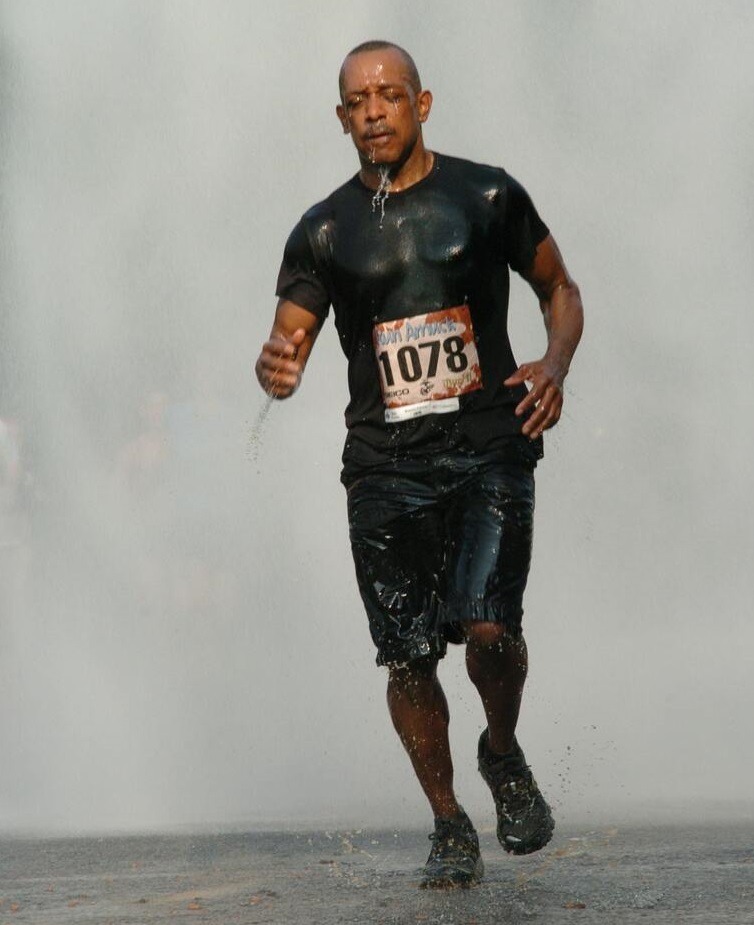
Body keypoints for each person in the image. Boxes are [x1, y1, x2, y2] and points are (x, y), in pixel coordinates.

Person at [255, 40, 583, 889]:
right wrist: (277, 364)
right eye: (358, 101)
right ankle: (448, 820)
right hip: (383, 467)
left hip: (489, 449)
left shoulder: (486, 195)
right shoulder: (324, 230)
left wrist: (554, 364)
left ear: (421, 104)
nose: (374, 111)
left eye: (390, 95)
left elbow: (560, 288)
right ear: (341, 119)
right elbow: (290, 334)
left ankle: (501, 751)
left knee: (490, 628)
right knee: (406, 655)